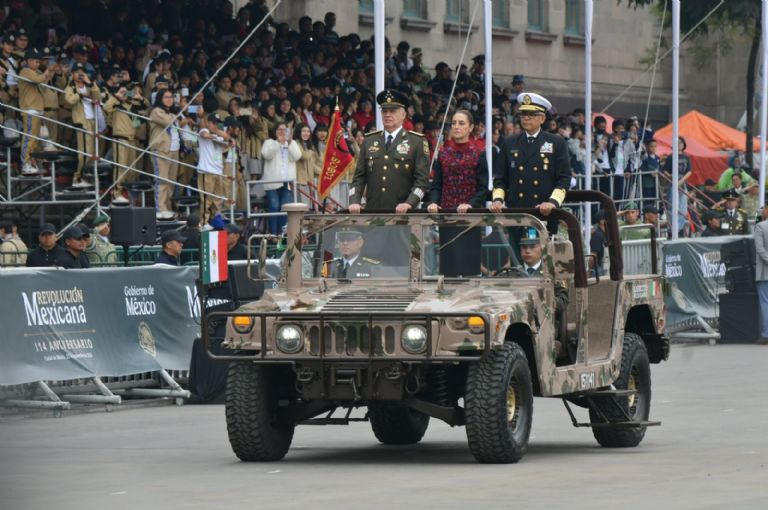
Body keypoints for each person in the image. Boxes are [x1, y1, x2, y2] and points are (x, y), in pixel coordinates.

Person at [490, 92, 570, 232]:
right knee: (518, 252)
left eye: (531, 114)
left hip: (545, 213)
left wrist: (553, 202)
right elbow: (500, 178)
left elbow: (563, 179)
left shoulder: (556, 142)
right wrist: (498, 200)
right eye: (523, 114)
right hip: (517, 213)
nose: (526, 118)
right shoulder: (509, 142)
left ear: (542, 118)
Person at [426, 109, 489, 276]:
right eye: (454, 123)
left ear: (471, 127)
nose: (456, 127)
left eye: (461, 123)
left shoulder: (478, 154)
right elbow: (436, 185)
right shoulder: (443, 154)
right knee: (449, 267)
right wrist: (433, 202)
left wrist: (470, 204)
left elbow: (483, 189)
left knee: (469, 267)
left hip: (470, 217)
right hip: (447, 216)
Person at [349, 88, 430, 214]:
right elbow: (359, 178)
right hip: (373, 214)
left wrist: (410, 203)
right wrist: (354, 201)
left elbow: (421, 181)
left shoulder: (417, 142)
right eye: (384, 111)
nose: (387, 114)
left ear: (403, 114)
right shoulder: (369, 140)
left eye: (392, 111)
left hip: (402, 216)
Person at [149, 89, 193, 220]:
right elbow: (168, 121)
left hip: (174, 150)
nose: (169, 99)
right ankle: (160, 208)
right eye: (166, 97)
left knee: (171, 182)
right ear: (160, 99)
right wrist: (178, 113)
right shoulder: (156, 111)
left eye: (171, 97)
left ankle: (167, 207)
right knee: (162, 180)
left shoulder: (172, 112)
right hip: (161, 149)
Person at [64, 62, 101, 187]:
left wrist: (90, 82)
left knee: (91, 152)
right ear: (72, 74)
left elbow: (98, 96)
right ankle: (77, 178)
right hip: (81, 121)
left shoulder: (89, 85)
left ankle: (85, 176)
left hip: (92, 120)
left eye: (82, 72)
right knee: (84, 152)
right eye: (77, 72)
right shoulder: (70, 87)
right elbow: (69, 100)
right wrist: (80, 94)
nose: (80, 74)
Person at [261, 122, 302, 236]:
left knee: (285, 208)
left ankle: (281, 234)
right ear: (275, 131)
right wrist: (278, 143)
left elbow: (297, 156)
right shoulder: (269, 142)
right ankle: (273, 234)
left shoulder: (291, 143)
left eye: (284, 130)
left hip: (287, 182)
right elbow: (267, 155)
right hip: (272, 182)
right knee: (274, 206)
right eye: (279, 129)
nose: (282, 132)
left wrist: (289, 143)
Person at [18, 48, 54, 174]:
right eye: (36, 61)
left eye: (39, 61)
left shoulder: (36, 72)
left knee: (36, 140)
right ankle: (25, 163)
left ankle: (32, 162)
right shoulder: (25, 71)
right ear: (28, 61)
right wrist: (47, 72)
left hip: (37, 109)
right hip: (29, 109)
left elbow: (42, 85)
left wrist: (49, 74)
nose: (38, 63)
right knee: (29, 138)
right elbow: (38, 80)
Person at [197, 113, 230, 223]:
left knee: (217, 199)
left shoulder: (219, 135)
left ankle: (215, 220)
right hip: (206, 171)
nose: (215, 126)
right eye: (213, 123)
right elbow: (205, 135)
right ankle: (203, 222)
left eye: (217, 124)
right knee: (207, 199)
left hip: (218, 172)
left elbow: (227, 138)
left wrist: (217, 133)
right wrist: (215, 135)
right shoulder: (203, 131)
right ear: (208, 122)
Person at [754, 205, 768, 344]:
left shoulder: (760, 227)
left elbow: (759, 249)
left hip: (765, 272)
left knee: (765, 303)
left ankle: (766, 334)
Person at [590, 210, 608, 277]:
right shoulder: (597, 235)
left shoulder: (605, 233)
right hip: (599, 270)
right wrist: (589, 271)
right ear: (602, 221)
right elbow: (592, 256)